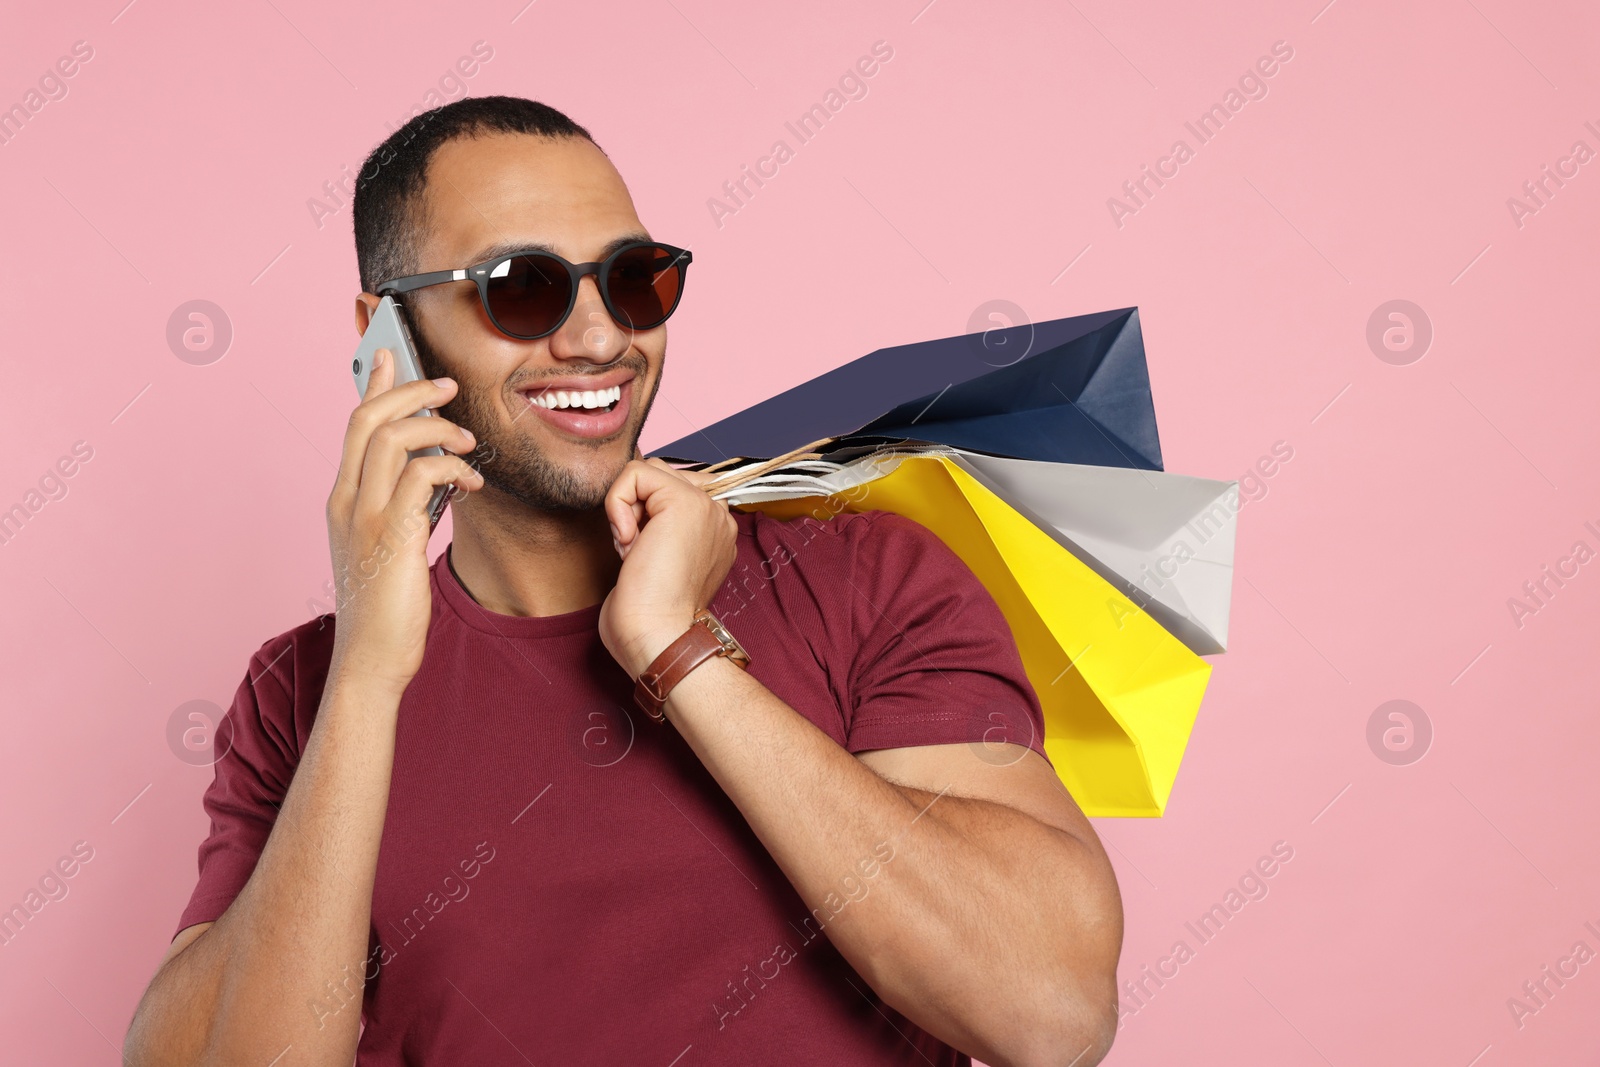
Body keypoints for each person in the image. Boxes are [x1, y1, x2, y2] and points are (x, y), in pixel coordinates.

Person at [123, 96, 1123, 1067]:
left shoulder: (863, 577)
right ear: (385, 326)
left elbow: (1052, 1016)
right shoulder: (304, 695)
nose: (602, 338)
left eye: (634, 279)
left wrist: (677, 650)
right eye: (521, 287)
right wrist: (368, 674)